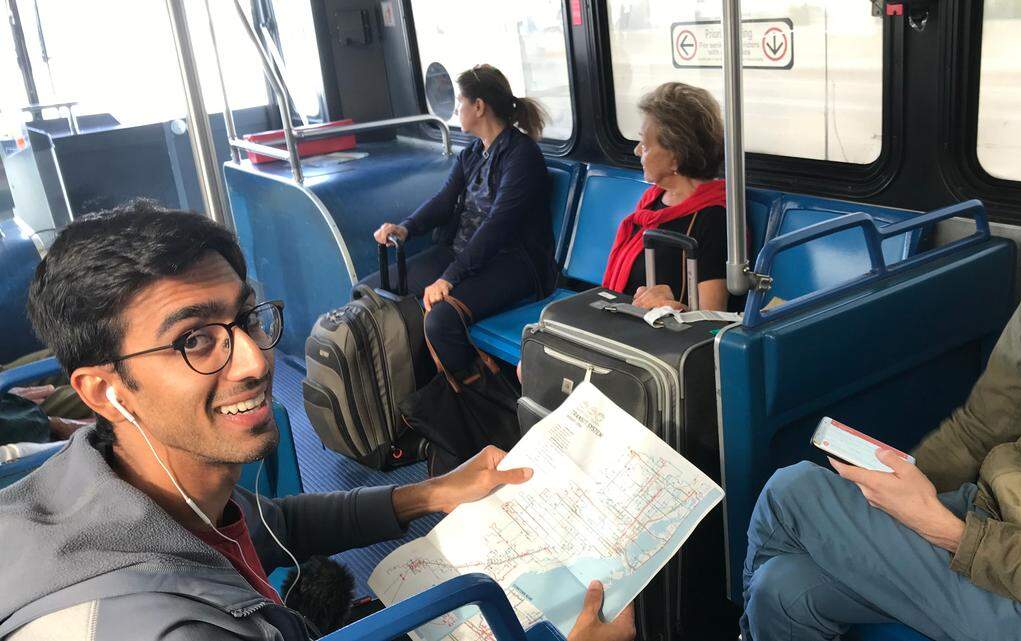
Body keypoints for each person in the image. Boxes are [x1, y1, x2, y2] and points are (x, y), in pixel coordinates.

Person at [0, 201, 634, 641]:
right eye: (195, 340)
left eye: (245, 320)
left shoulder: (132, 485)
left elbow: (272, 526)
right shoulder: (170, 629)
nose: (256, 361)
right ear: (105, 390)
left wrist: (434, 492)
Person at [739, 56, 1021, 641]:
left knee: (793, 490)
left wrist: (938, 527)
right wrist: (900, 490)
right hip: (1002, 516)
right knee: (783, 590)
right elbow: (982, 427)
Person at [368, 64, 556, 376]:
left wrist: (449, 277)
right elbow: (444, 201)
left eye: (460, 102)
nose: (457, 110)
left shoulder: (521, 156)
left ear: (478, 106)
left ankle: (477, 395)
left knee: (441, 319)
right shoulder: (471, 154)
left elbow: (498, 224)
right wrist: (406, 227)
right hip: (462, 253)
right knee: (372, 294)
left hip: (512, 262)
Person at [602, 82, 733, 312]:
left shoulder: (713, 218)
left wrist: (671, 308)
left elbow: (712, 318)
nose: (637, 151)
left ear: (676, 157)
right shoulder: (651, 201)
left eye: (645, 145)